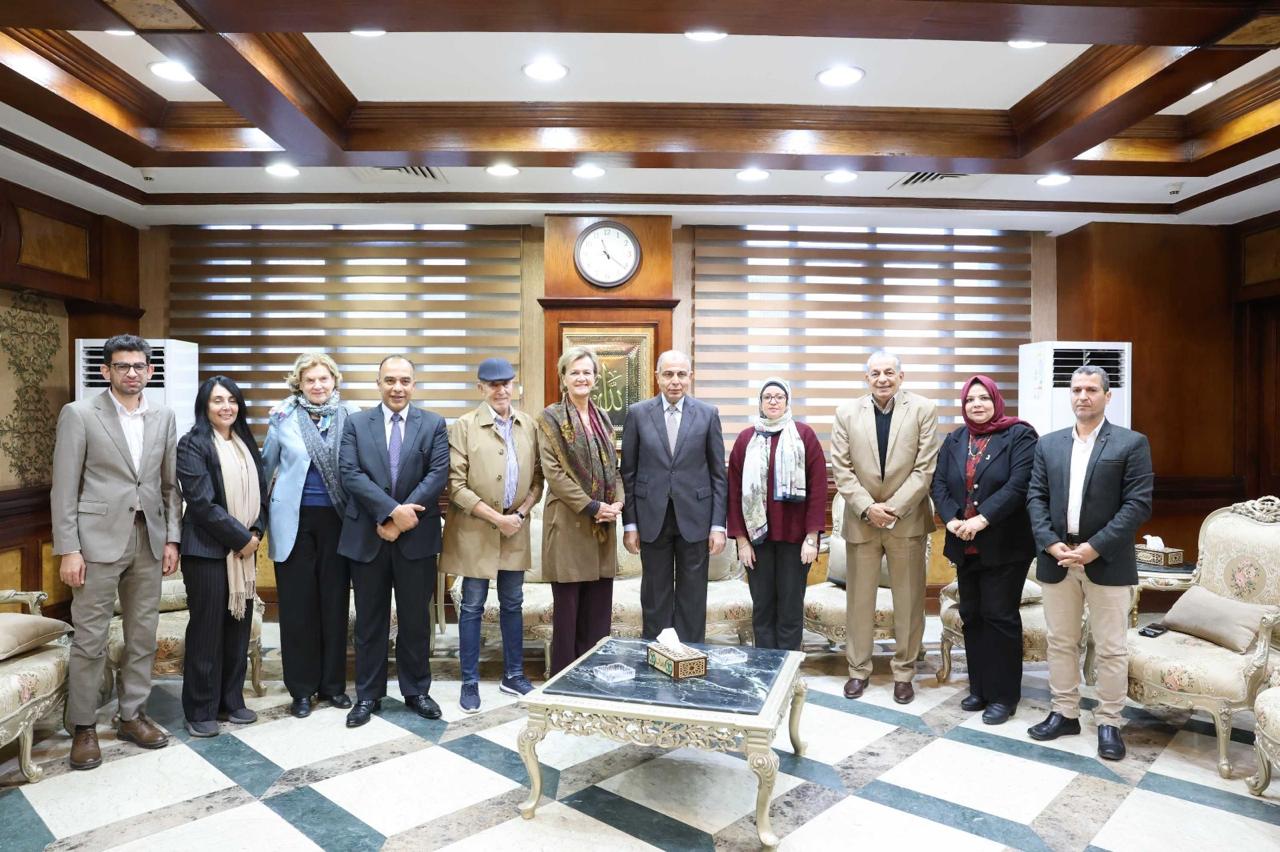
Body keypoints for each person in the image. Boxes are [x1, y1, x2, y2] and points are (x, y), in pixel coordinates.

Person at [50, 333, 181, 769]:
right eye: (122, 366)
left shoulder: (163, 416)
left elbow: (169, 486)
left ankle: (132, 715)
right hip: (95, 543)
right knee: (90, 638)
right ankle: (83, 726)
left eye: (139, 366)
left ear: (150, 371)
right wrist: (69, 549)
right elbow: (64, 487)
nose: (131, 373)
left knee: (142, 635)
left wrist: (172, 539)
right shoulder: (80, 414)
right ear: (106, 370)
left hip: (149, 539)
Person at [1025, 365, 1152, 760]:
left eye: (1091, 390)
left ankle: (1109, 721)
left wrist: (1095, 547)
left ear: (1107, 396)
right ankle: (1064, 712)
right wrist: (1050, 543)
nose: (1083, 396)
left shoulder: (1131, 443)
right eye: (1076, 389)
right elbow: (1035, 498)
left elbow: (1137, 505)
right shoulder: (1048, 444)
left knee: (1111, 647)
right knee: (1061, 642)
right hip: (1058, 560)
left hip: (1107, 560)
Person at [338, 355, 449, 727]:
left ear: (414, 385)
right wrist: (389, 513)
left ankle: (416, 690)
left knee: (416, 620)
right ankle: (368, 695)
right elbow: (350, 474)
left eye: (404, 380)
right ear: (378, 384)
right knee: (369, 622)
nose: (397, 387)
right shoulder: (356, 424)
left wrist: (402, 522)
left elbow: (437, 474)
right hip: (367, 535)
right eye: (389, 380)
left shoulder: (433, 424)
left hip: (416, 538)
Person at [830, 350, 938, 705]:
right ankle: (858, 670)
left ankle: (904, 673)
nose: (882, 379)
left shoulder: (923, 409)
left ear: (901, 376)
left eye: (889, 372)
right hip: (862, 521)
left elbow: (925, 468)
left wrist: (892, 510)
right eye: (875, 373)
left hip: (906, 521)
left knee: (909, 602)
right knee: (859, 602)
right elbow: (842, 469)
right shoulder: (846, 413)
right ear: (866, 378)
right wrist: (868, 508)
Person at [931, 376, 1038, 725]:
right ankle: (979, 688)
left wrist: (981, 519)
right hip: (964, 544)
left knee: (999, 616)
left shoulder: (1019, 435)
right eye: (970, 400)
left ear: (996, 400)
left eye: (983, 398)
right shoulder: (955, 439)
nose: (976, 404)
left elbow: (1019, 485)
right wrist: (951, 520)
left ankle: (1004, 696)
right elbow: (939, 483)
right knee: (972, 615)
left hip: (1005, 544)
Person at [441, 357, 544, 713]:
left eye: (506, 383)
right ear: (481, 388)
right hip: (475, 531)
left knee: (513, 602)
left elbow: (537, 479)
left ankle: (513, 675)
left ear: (514, 385)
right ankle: (469, 681)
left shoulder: (528, 425)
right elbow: (455, 485)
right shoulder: (464, 426)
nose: (501, 390)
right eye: (493, 384)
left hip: (515, 527)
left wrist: (520, 513)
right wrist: (496, 518)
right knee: (472, 605)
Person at [261, 352, 356, 718]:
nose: (317, 385)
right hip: (293, 521)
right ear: (298, 384)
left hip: (339, 521)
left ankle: (333, 686)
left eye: (323, 379)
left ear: (335, 381)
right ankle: (301, 690)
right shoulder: (282, 417)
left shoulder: (352, 416)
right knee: (297, 608)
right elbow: (266, 467)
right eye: (310, 380)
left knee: (334, 604)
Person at [175, 376, 268, 737]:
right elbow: (201, 502)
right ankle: (200, 709)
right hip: (207, 552)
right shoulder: (192, 444)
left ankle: (231, 701)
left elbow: (262, 493)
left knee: (237, 628)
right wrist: (242, 539)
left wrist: (255, 532)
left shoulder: (245, 443)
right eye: (218, 400)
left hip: (243, 553)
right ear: (205, 406)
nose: (226, 406)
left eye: (232, 400)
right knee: (207, 630)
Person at [620, 350, 727, 643]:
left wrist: (718, 525)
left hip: (696, 517)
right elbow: (628, 473)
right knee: (655, 594)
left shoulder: (708, 414)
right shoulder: (638, 414)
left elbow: (719, 475)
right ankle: (657, 656)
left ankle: (690, 656)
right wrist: (630, 524)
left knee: (693, 596)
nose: (675, 381)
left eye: (681, 374)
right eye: (668, 374)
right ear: (657, 377)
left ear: (690, 377)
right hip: (651, 518)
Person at [536, 346, 624, 674]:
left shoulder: (603, 417)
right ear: (563, 378)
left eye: (587, 372)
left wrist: (617, 502)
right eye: (574, 372)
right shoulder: (550, 418)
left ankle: (594, 675)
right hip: (569, 523)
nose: (582, 378)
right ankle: (564, 678)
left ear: (596, 378)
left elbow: (614, 468)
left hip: (602, 527)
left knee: (598, 610)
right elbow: (554, 473)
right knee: (569, 612)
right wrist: (592, 506)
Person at [726, 379, 827, 650]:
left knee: (791, 607)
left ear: (787, 401)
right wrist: (741, 541)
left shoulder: (804, 435)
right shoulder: (746, 439)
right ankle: (766, 665)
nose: (773, 401)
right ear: (760, 403)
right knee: (762, 607)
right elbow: (733, 492)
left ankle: (789, 664)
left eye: (779, 396)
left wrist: (812, 537)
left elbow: (818, 489)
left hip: (796, 541)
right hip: (756, 541)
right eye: (767, 397)